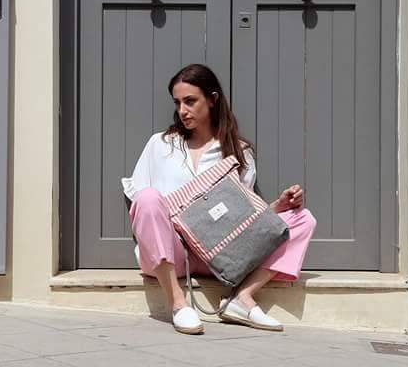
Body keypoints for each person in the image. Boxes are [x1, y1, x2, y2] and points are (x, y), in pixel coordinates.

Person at [121, 64, 316, 335]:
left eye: (190, 101)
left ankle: (242, 299)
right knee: (147, 197)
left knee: (302, 218)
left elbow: (245, 219)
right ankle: (178, 304)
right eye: (177, 103)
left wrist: (279, 206)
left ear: (212, 100)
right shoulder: (161, 144)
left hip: (220, 254)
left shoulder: (238, 151)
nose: (182, 110)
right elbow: (141, 205)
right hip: (171, 253)